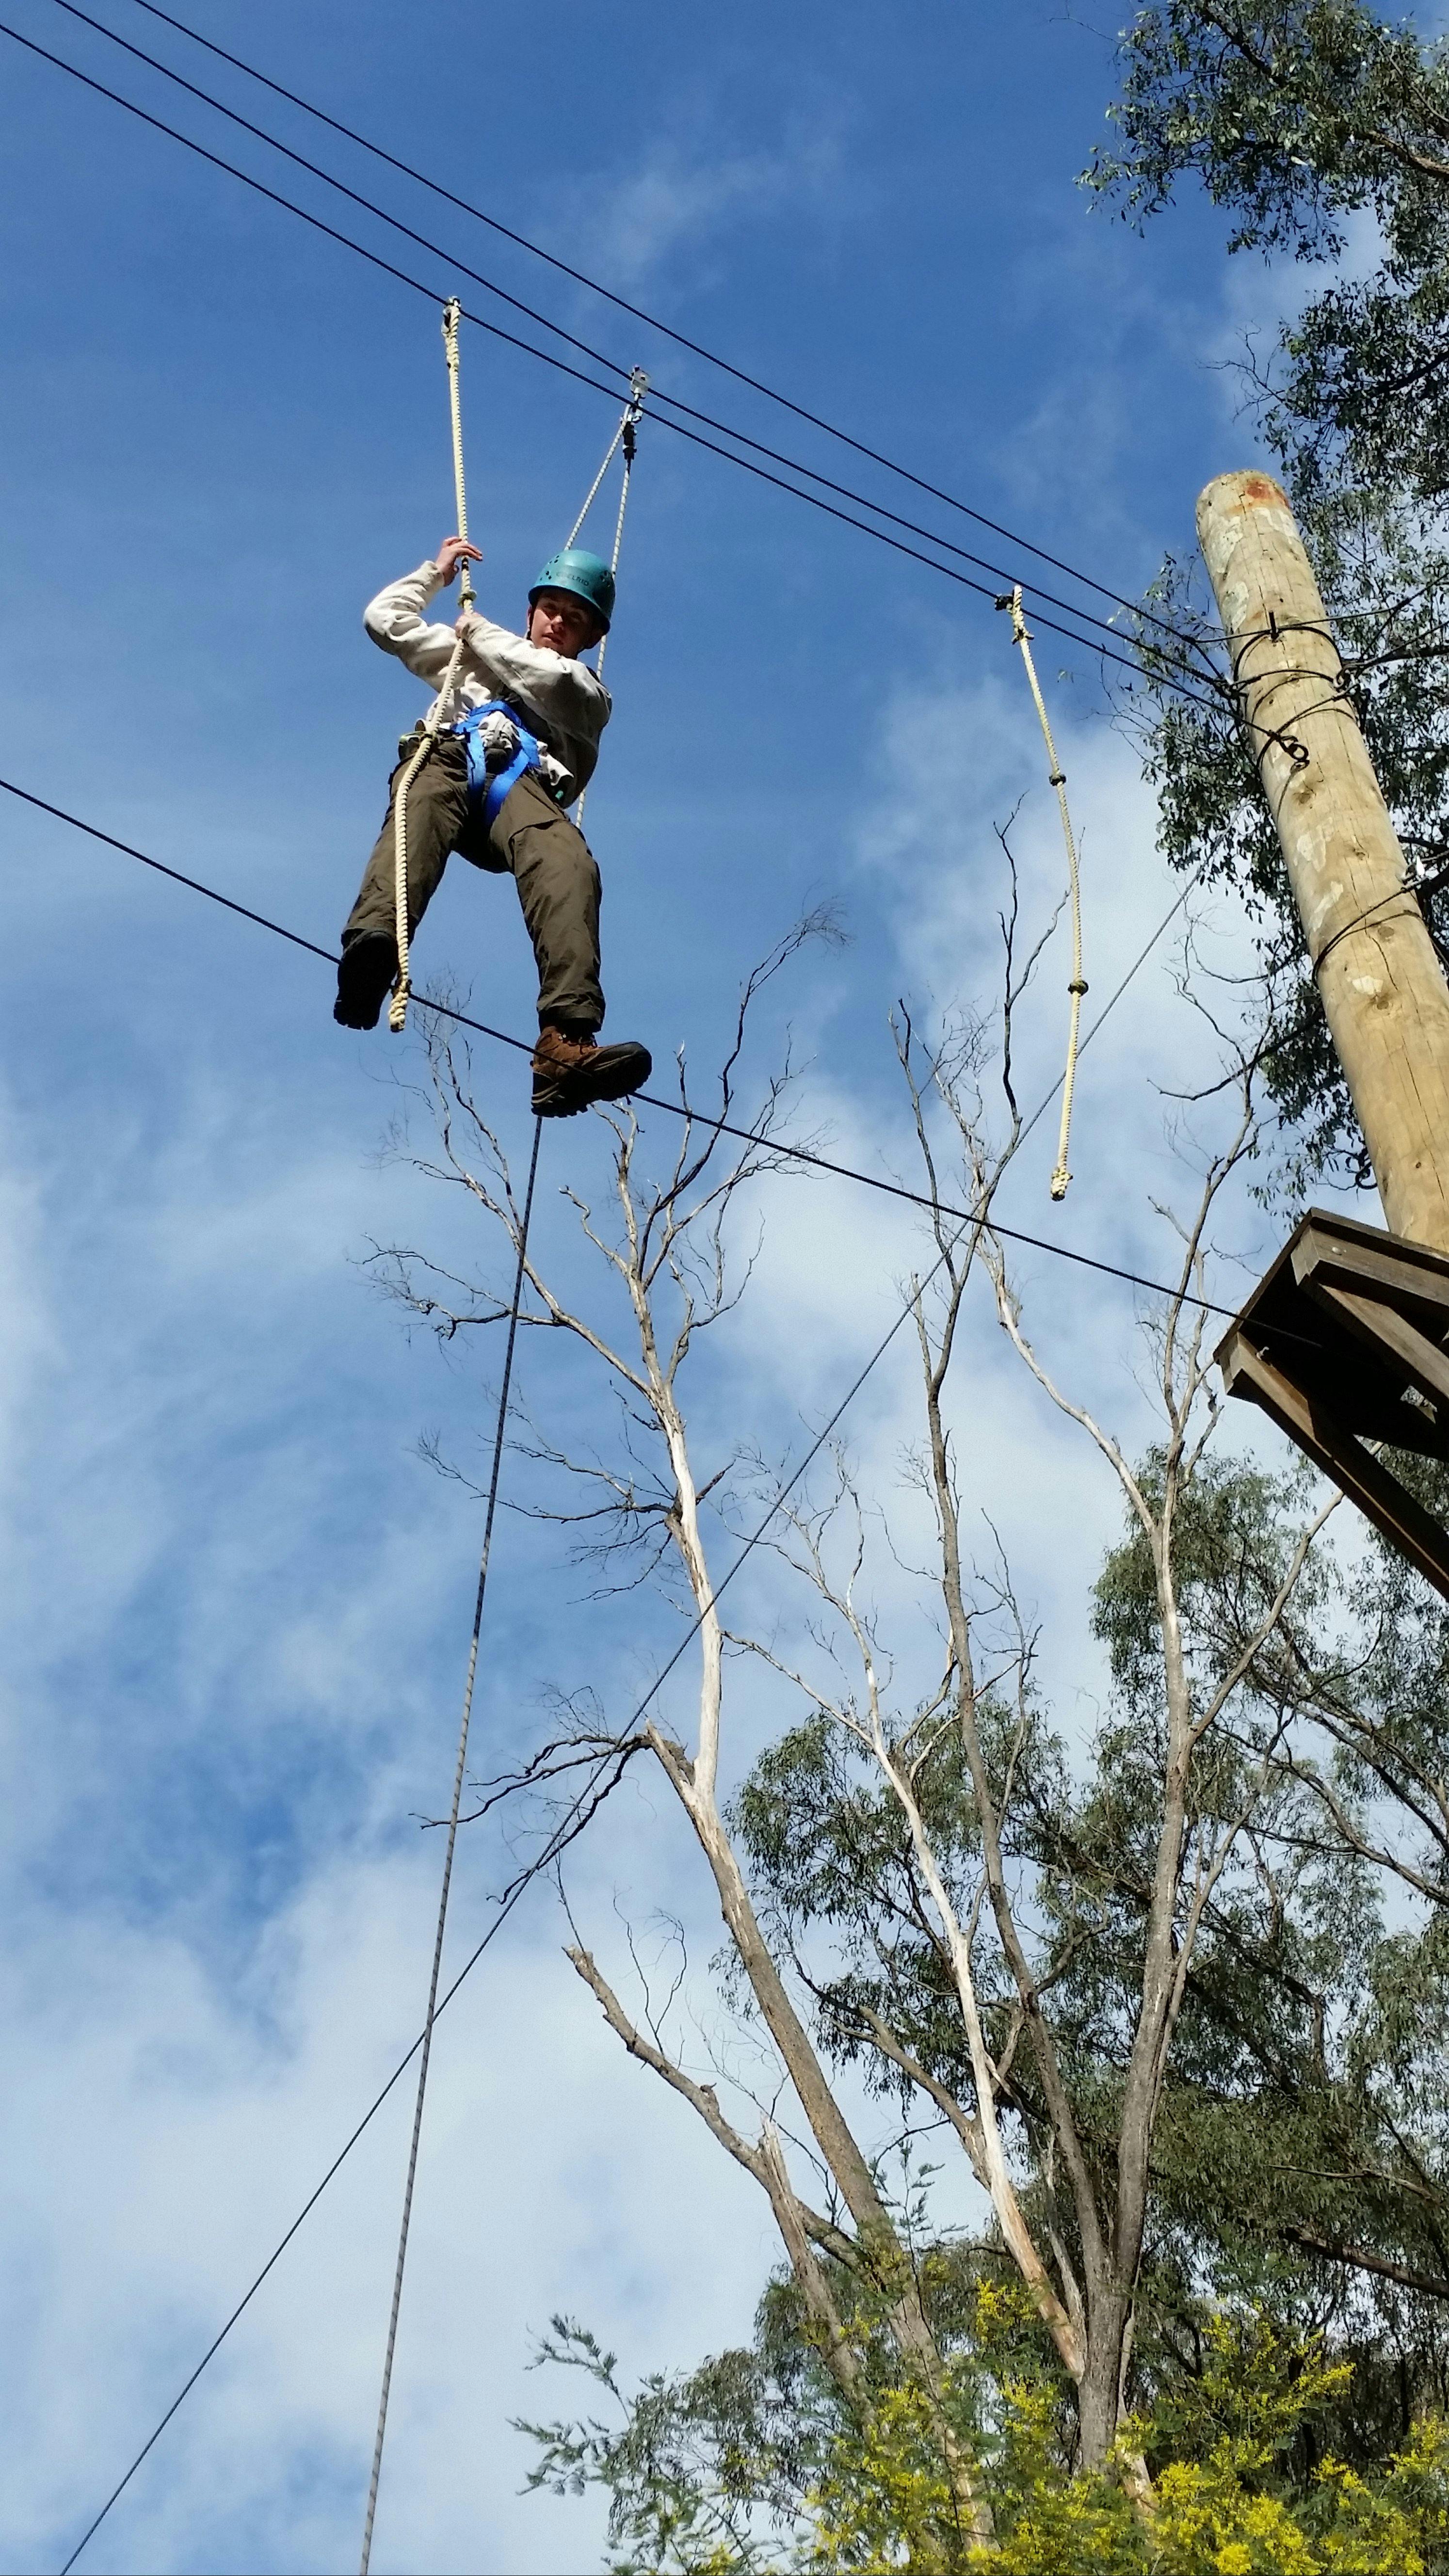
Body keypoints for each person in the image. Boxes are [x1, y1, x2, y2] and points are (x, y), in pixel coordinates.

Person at [334, 535, 652, 1119]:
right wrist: (434, 576)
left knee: (569, 864)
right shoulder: (470, 660)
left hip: (521, 789)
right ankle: (373, 952)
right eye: (551, 608)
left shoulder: (588, 693)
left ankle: (565, 1044)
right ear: (531, 610)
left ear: (591, 639)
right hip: (451, 759)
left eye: (575, 618)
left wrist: (474, 630)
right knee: (421, 796)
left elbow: (550, 681)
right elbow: (385, 621)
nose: (559, 622)